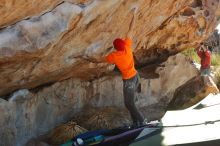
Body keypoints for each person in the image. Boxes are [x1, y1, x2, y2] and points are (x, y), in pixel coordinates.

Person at [87, 38, 145, 126]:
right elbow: (128, 38)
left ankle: (141, 121)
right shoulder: (127, 47)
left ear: (115, 47)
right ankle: (136, 122)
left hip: (129, 81)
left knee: (129, 104)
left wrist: (90, 58)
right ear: (123, 44)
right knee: (131, 103)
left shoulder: (115, 56)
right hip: (136, 76)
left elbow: (102, 60)